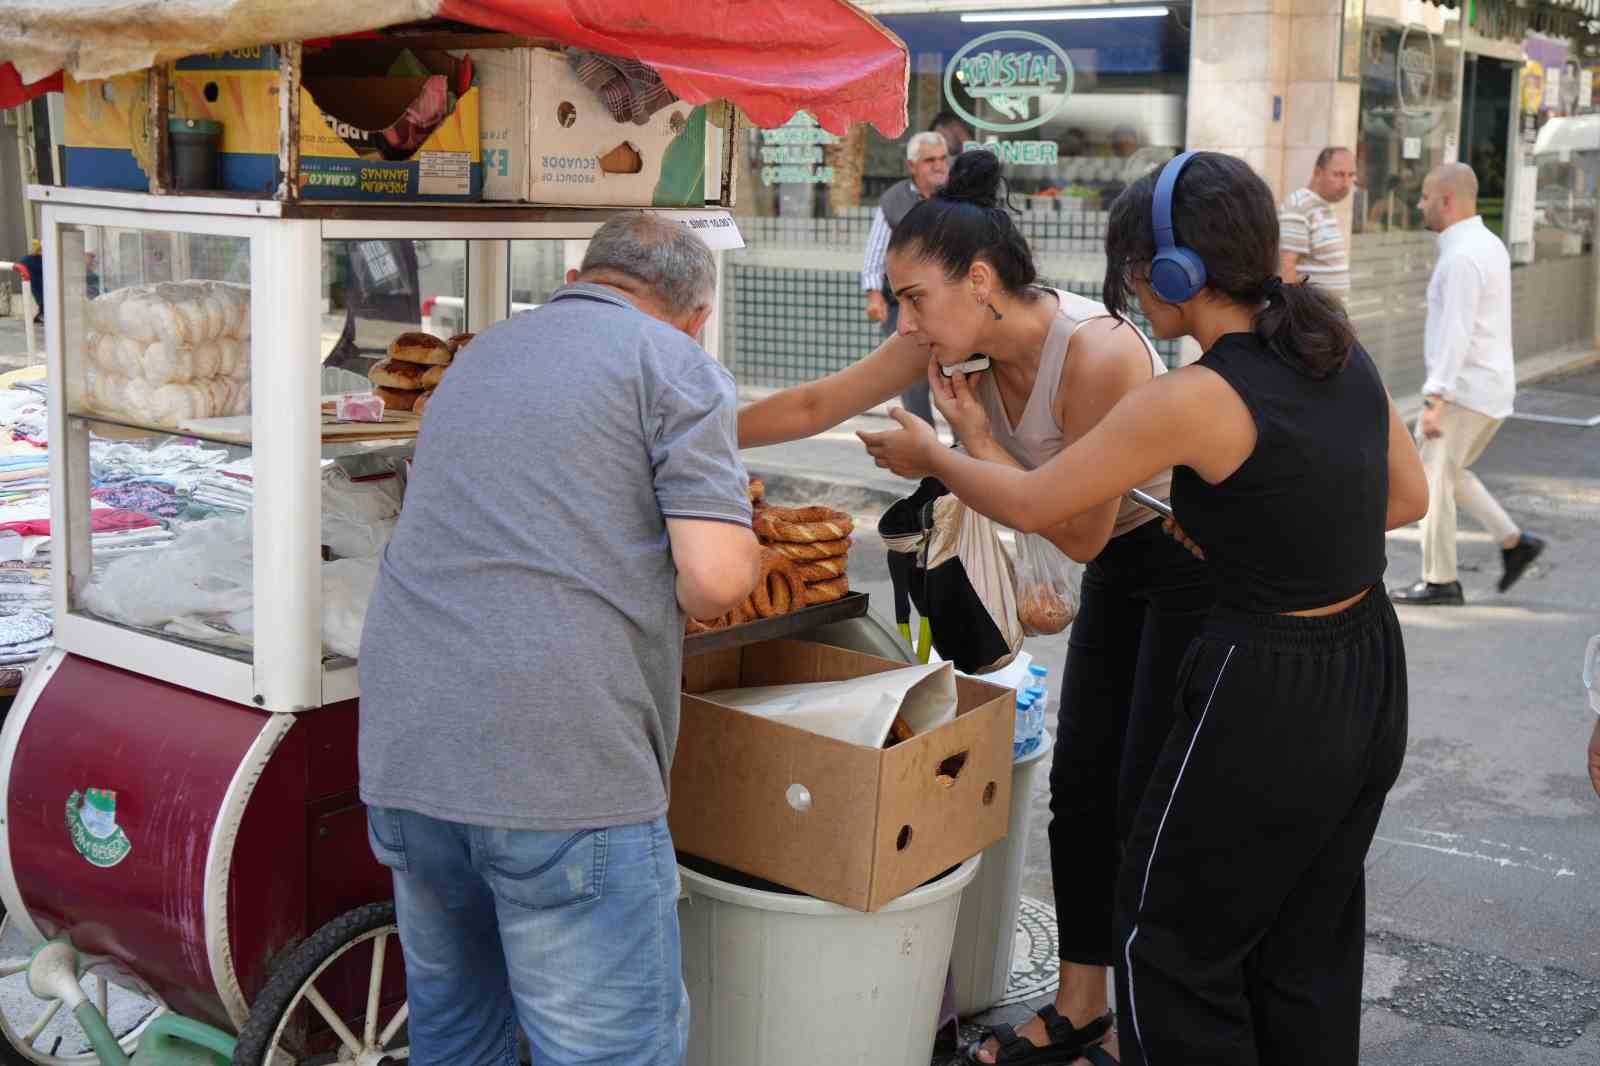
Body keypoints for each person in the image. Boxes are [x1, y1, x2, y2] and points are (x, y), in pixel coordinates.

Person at [861, 150, 1428, 1066]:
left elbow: (1043, 509)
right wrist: (1267, 525)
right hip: (1367, 664)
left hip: (1265, 682)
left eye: (1136, 267)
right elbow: (1406, 500)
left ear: (1177, 271)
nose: (1130, 287)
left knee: (1167, 946)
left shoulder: (1195, 395)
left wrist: (937, 457)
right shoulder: (1336, 348)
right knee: (1304, 941)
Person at [744, 149, 1211, 1066]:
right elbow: (815, 401)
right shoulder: (944, 334)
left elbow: (1078, 528)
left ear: (983, 281)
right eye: (896, 300)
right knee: (1080, 789)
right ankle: (1083, 1006)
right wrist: (679, 426)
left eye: (913, 298)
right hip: (1109, 568)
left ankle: (1160, 1026)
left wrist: (970, 445)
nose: (902, 321)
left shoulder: (1100, 350)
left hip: (1184, 572)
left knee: (1154, 799)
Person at [358, 212, 760, 1066]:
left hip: (410, 749)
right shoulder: (677, 365)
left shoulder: (485, 354)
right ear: (696, 313)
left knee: (458, 1035)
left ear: (584, 275)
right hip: (562, 766)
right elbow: (719, 579)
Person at [1392, 162, 1544, 606]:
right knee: (1449, 473)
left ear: (1446, 201)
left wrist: (1435, 399)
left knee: (1432, 482)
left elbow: (1454, 333)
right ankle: (1515, 542)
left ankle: (1441, 581)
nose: (1419, 204)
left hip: (1463, 391)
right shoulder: (1488, 244)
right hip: (1488, 388)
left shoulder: (1460, 257)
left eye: (1424, 197)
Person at [862, 131, 951, 432]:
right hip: (906, 305)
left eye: (942, 159)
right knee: (912, 381)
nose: (939, 166)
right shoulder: (894, 200)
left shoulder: (957, 195)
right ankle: (925, 448)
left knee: (957, 378)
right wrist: (874, 293)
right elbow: (876, 250)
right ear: (912, 165)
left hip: (951, 304)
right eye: (930, 161)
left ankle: (963, 449)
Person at [1279, 146, 1356, 299]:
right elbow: (1287, 266)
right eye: (1338, 174)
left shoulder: (1322, 207)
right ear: (1317, 173)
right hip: (1311, 318)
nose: (1346, 183)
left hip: (1328, 317)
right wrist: (1296, 315)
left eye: (1351, 175)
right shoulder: (1299, 206)